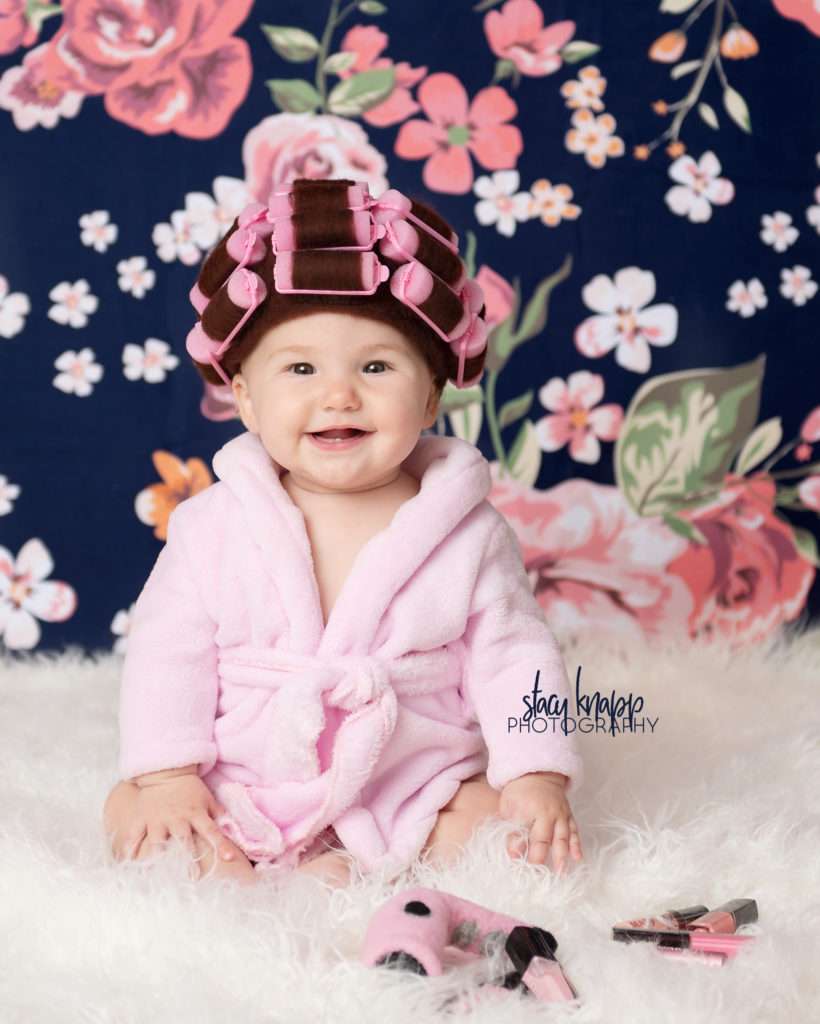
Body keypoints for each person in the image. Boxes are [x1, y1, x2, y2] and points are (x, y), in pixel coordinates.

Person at [102, 178, 585, 888]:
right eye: (300, 368)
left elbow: (513, 655)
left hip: (411, 776)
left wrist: (536, 773)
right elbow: (166, 650)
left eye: (376, 366)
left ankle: (367, 865)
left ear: (429, 395)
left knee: (504, 833)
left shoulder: (466, 531)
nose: (338, 394)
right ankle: (250, 881)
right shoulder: (213, 524)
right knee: (136, 813)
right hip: (251, 772)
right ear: (244, 398)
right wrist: (170, 775)